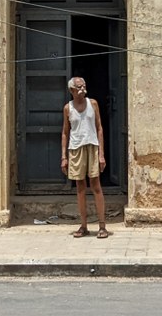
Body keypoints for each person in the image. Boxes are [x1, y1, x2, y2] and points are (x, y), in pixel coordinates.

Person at [60, 75, 109, 238]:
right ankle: (83, 225)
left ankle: (102, 225)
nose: (82, 89)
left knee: (96, 186)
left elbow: (99, 128)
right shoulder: (68, 108)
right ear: (72, 90)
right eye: (79, 87)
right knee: (80, 188)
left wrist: (101, 154)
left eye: (84, 86)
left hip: (92, 146)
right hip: (75, 148)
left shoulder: (92, 104)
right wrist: (64, 157)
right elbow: (65, 132)